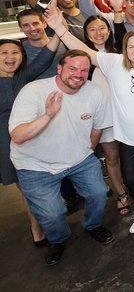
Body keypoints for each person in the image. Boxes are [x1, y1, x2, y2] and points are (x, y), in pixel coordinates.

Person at [47, 9, 134, 235]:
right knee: (130, 177)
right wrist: (60, 29)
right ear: (125, 49)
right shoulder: (114, 63)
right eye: (131, 46)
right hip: (127, 136)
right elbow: (86, 53)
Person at [9, 49, 113, 266]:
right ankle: (58, 239)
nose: (79, 74)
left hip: (79, 160)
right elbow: (18, 136)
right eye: (72, 68)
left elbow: (97, 127)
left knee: (99, 193)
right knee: (53, 215)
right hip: (35, 166)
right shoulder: (34, 91)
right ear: (59, 68)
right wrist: (48, 115)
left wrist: (85, 151)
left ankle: (93, 225)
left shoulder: (93, 92)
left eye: (84, 69)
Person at [1, 33, 60, 247]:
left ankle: (49, 217)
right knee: (25, 187)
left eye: (15, 52)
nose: (10, 56)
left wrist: (57, 27)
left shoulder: (22, 77)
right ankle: (36, 225)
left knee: (35, 184)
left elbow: (45, 58)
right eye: (4, 53)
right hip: (4, 143)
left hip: (33, 136)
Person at [81, 13, 132, 215]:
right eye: (92, 29)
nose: (98, 33)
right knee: (112, 157)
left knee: (130, 157)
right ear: (86, 34)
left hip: (126, 115)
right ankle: (121, 193)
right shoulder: (83, 58)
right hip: (102, 118)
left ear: (109, 30)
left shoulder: (121, 52)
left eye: (102, 28)